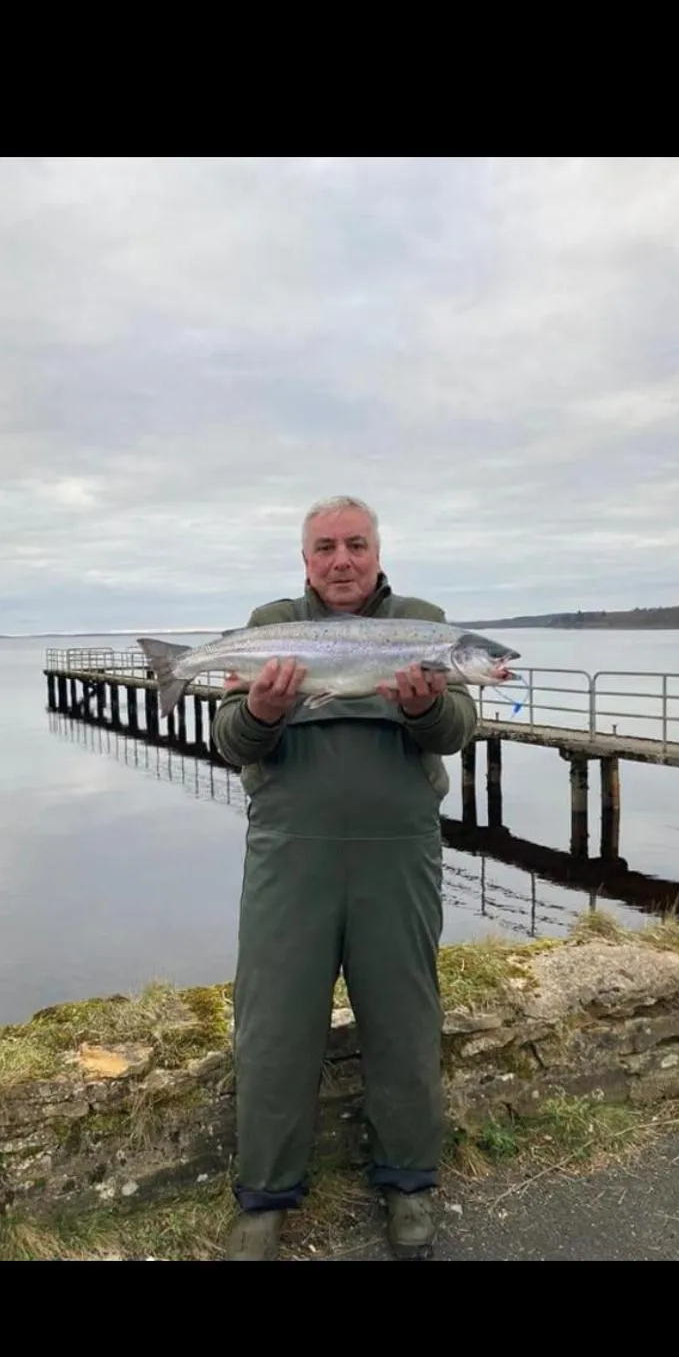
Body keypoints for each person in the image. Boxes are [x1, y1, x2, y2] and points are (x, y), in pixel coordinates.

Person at [213, 495, 493, 1261]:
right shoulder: (271, 626)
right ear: (306, 560)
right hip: (289, 853)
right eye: (326, 547)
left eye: (356, 545)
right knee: (274, 1025)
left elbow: (458, 731)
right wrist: (261, 711)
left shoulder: (423, 624)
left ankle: (409, 1184)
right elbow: (232, 741)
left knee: (403, 1018)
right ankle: (265, 1197)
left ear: (377, 551)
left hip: (398, 853)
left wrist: (426, 710)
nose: (342, 560)